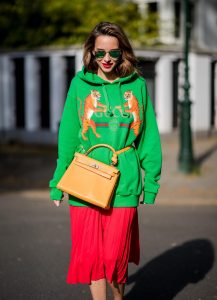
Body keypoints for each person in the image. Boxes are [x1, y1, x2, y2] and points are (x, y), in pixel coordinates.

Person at [49, 21, 162, 300]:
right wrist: (57, 182)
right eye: (100, 53)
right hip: (85, 177)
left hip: (124, 178)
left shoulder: (136, 85)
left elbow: (148, 136)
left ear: (123, 52)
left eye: (113, 52)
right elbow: (69, 136)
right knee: (92, 256)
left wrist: (152, 182)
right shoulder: (80, 84)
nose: (107, 59)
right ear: (92, 53)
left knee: (115, 256)